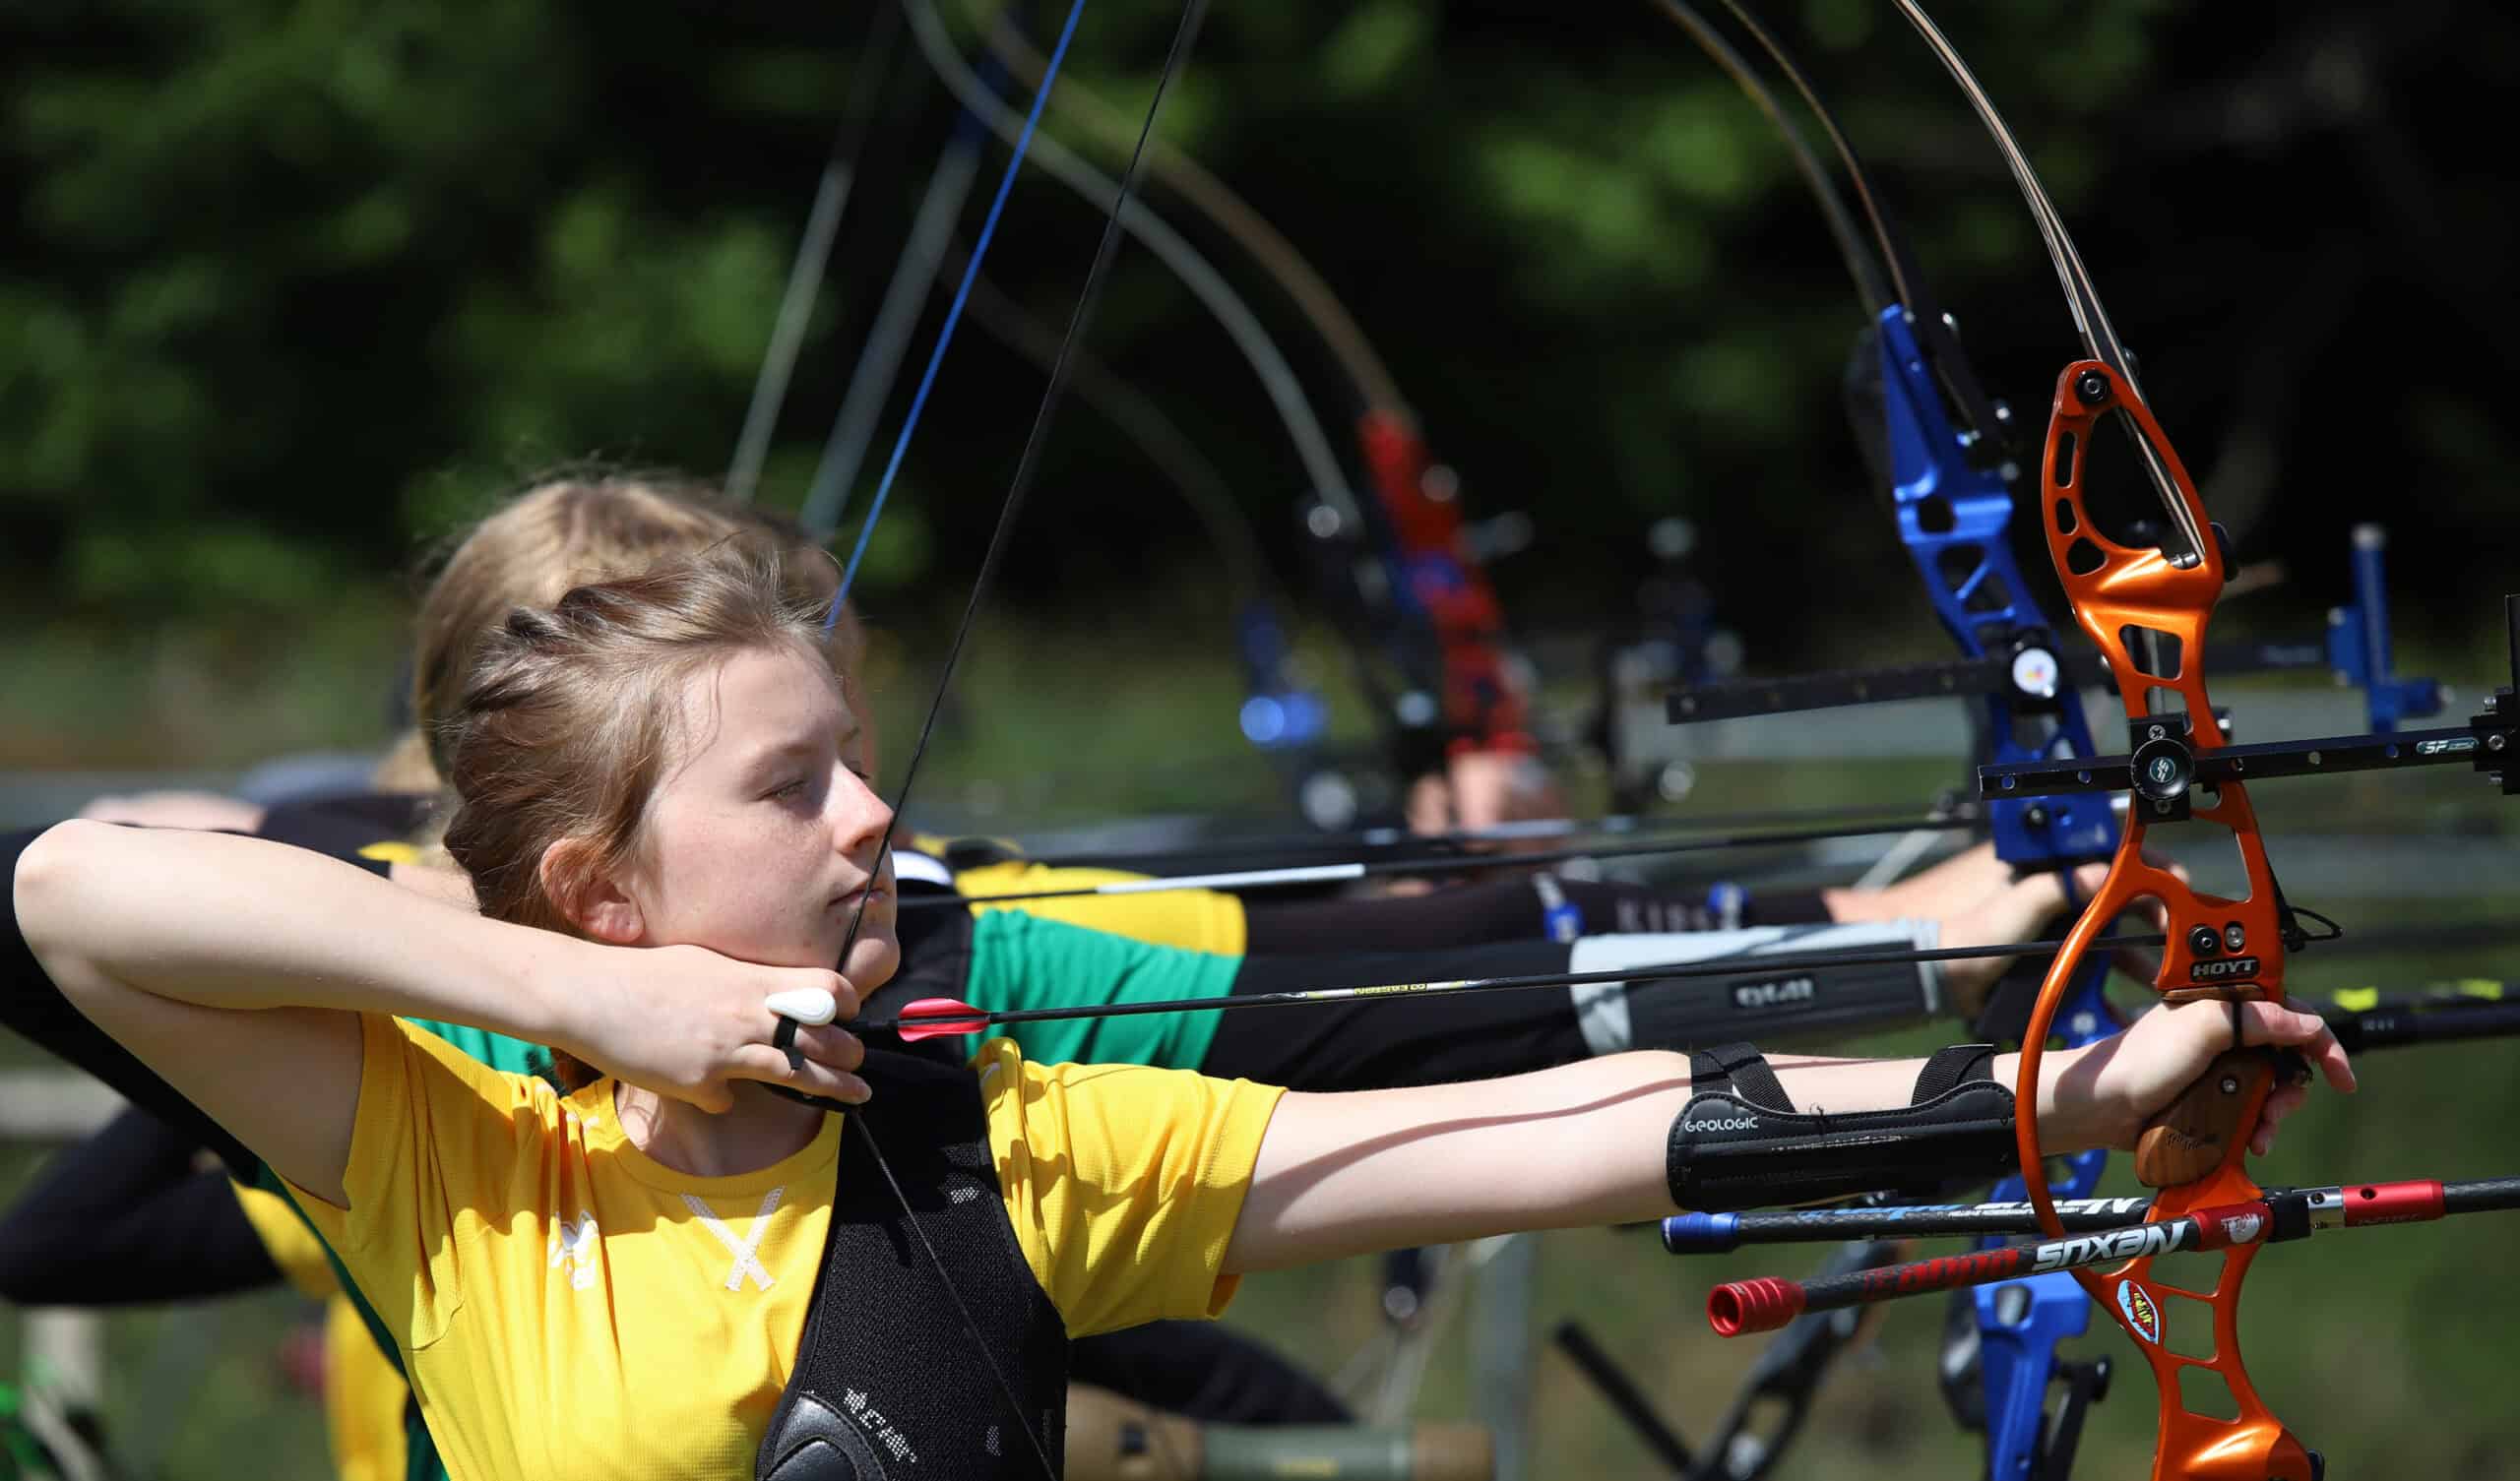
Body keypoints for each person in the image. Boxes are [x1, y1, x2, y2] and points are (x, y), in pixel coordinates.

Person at [13, 545, 2352, 1479]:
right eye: (795, 783)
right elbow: (75, 886)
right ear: (598, 885)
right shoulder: (448, 1158)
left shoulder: (1010, 1149)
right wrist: (576, 1011)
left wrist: (2070, 1081)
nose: (872, 830)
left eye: (863, 767)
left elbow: (1598, 1116)